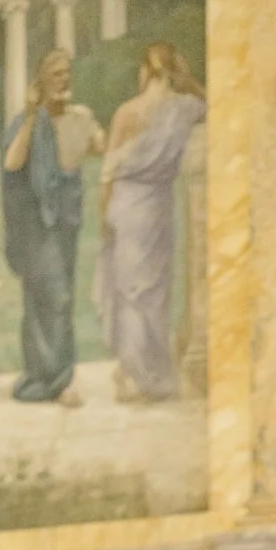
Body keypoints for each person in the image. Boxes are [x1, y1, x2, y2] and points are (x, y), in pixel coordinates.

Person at [95, 42, 207, 403]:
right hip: (157, 204)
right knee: (152, 293)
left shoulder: (128, 112)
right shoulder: (185, 107)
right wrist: (188, 81)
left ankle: (140, 374)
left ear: (147, 70)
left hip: (129, 204)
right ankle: (149, 376)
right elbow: (214, 104)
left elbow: (108, 171)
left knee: (132, 291)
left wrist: (103, 214)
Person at [0, 48, 104, 406]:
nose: (64, 79)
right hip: (37, 222)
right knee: (50, 296)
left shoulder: (81, 117)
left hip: (66, 220)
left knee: (60, 299)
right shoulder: (29, 121)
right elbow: (13, 163)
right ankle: (52, 378)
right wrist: (32, 115)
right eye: (56, 73)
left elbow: (104, 148)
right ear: (41, 81)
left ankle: (55, 375)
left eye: (67, 73)